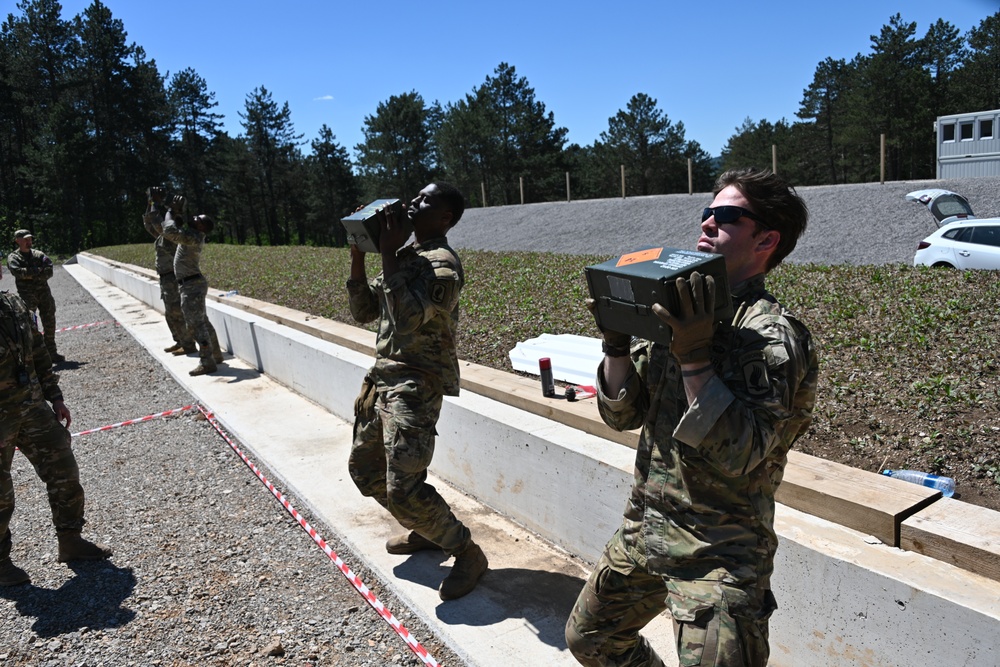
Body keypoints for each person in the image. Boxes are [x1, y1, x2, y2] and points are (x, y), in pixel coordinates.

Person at [566, 168, 820, 667]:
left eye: (725, 217)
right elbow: (621, 413)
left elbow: (743, 454)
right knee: (590, 638)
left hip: (718, 555)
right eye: (706, 212)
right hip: (647, 530)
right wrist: (615, 343)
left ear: (766, 239)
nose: (706, 223)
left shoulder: (769, 336)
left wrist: (695, 358)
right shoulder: (674, 308)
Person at [346, 183, 488, 601]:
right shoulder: (406, 257)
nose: (412, 203)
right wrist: (359, 253)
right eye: (415, 196)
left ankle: (466, 551)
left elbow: (408, 320)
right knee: (365, 471)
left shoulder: (442, 266)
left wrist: (388, 252)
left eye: (425, 201)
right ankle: (427, 529)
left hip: (415, 385)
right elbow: (364, 311)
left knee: (403, 490)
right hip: (382, 381)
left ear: (444, 219)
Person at [0, 290, 112, 586]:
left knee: (64, 468)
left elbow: (37, 351)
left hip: (32, 407)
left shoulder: (14, 304)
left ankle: (70, 540)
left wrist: (55, 396)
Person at [160, 195, 223, 377]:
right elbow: (174, 229)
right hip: (192, 283)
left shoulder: (194, 236)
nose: (193, 217)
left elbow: (169, 231)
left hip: (191, 285)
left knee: (195, 325)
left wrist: (170, 212)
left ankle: (207, 362)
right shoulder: (192, 235)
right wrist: (176, 214)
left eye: (198, 219)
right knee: (202, 321)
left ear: (201, 226)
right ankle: (216, 355)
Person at [143, 187, 195, 356]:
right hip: (165, 277)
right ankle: (180, 341)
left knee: (176, 312)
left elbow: (158, 226)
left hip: (173, 276)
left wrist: (158, 203)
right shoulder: (164, 232)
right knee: (170, 313)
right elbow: (148, 223)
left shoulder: (174, 230)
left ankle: (187, 344)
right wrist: (150, 202)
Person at [7, 230, 63, 364]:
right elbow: (17, 272)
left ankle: (52, 352)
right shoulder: (14, 257)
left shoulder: (39, 254)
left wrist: (30, 273)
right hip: (27, 297)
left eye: (30, 239)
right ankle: (36, 356)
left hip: (44, 295)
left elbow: (49, 271)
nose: (29, 242)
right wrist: (38, 270)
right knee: (30, 327)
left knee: (49, 323)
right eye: (25, 239)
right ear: (17, 241)